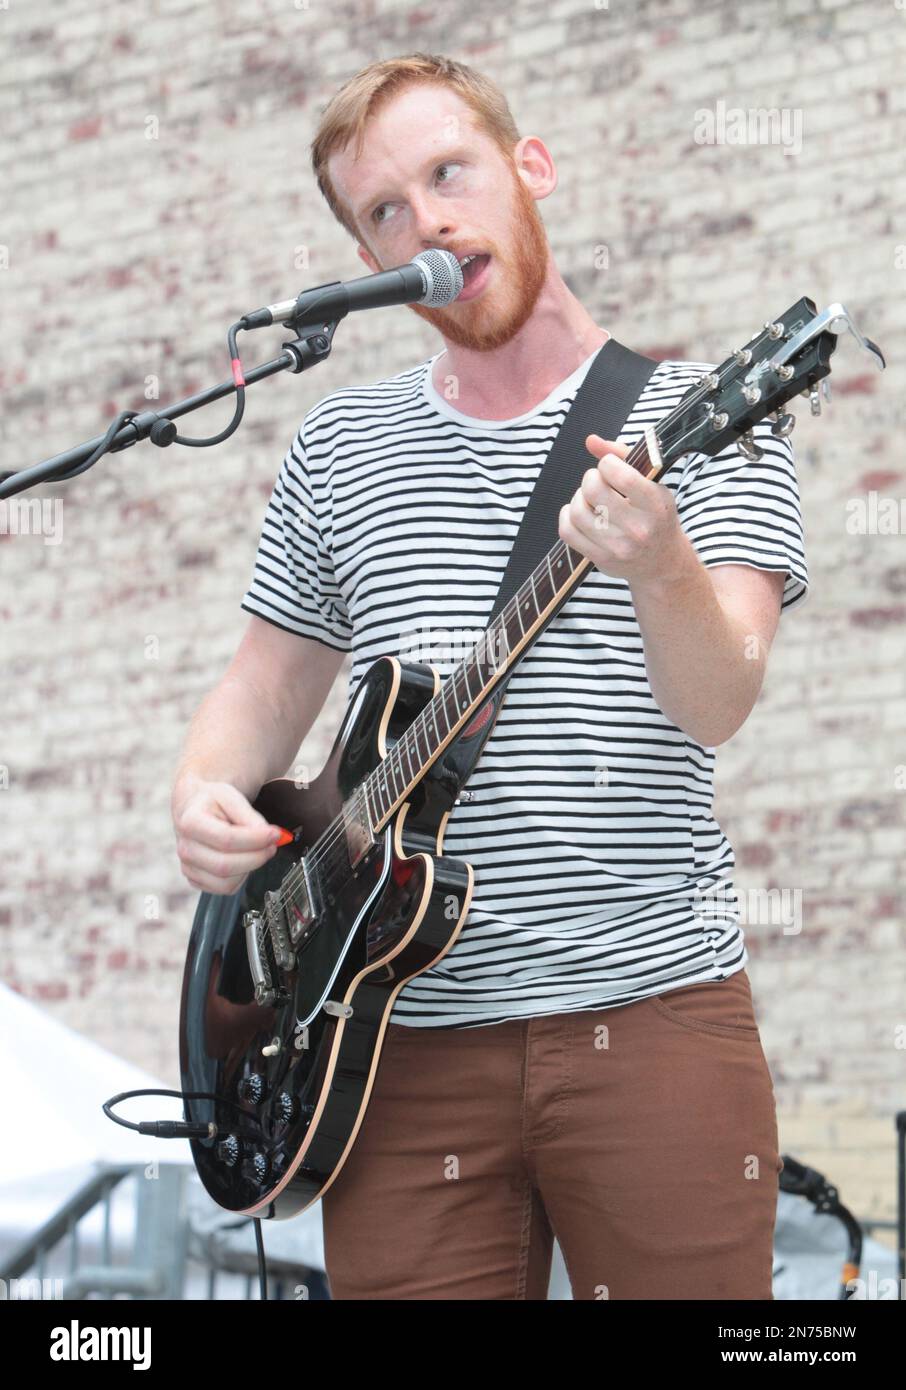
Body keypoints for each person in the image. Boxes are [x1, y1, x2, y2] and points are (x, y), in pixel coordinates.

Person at [170, 53, 808, 1300]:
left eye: (448, 173)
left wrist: (660, 559)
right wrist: (203, 787)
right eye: (385, 213)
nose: (429, 221)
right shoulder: (341, 448)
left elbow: (719, 697)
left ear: (532, 169)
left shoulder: (700, 413)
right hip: (390, 1053)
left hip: (657, 1019)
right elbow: (263, 689)